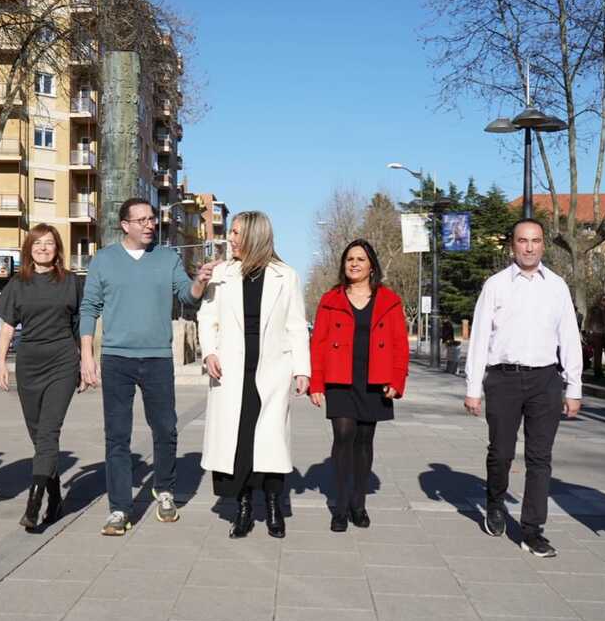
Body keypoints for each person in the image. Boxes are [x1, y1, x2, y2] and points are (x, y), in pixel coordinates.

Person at [78, 197, 218, 536]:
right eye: (141, 220)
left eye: (152, 218)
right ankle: (119, 509)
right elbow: (89, 308)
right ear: (124, 225)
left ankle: (165, 490)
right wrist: (86, 356)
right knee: (117, 436)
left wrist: (199, 280)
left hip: (157, 357)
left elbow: (187, 295)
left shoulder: (167, 258)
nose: (149, 224)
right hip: (116, 359)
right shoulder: (104, 260)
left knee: (166, 428)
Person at [463, 219, 581, 558]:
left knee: (540, 458)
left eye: (535, 240)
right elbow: (481, 337)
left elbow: (569, 337)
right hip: (504, 379)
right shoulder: (496, 285)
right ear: (512, 246)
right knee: (500, 452)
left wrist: (574, 386)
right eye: (522, 241)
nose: (529, 247)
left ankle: (532, 531)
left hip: (545, 380)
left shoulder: (557, 286)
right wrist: (474, 387)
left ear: (544, 245)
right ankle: (495, 501)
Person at [198, 212, 310, 539]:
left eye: (235, 233)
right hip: (231, 369)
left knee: (272, 440)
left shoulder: (285, 276)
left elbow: (295, 326)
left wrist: (302, 369)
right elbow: (207, 318)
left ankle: (275, 506)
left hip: (272, 368)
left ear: (254, 236)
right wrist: (209, 352)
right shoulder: (222, 274)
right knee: (240, 441)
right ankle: (244, 508)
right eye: (230, 232)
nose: (230, 239)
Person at [310, 240, 409, 532]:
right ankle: (340, 507)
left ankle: (359, 503)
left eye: (360, 259)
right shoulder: (330, 299)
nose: (354, 263)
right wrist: (317, 382)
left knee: (365, 441)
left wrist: (396, 379)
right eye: (349, 259)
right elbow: (318, 344)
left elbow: (399, 344)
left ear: (371, 266)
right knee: (343, 436)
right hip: (339, 379)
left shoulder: (389, 300)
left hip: (374, 380)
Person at [0, 224, 82, 531]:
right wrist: (1, 362)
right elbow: (7, 327)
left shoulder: (72, 282)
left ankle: (34, 504)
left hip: (63, 361)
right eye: (38, 244)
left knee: (48, 432)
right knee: (38, 436)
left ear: (58, 248)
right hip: (29, 363)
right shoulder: (17, 284)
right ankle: (56, 495)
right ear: (29, 249)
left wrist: (86, 362)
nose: (43, 248)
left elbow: (80, 327)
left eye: (49, 243)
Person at [583, 294, 605, 379]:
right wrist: (588, 331)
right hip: (597, 333)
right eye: (603, 300)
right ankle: (598, 372)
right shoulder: (593, 309)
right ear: (599, 300)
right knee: (598, 353)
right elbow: (588, 320)